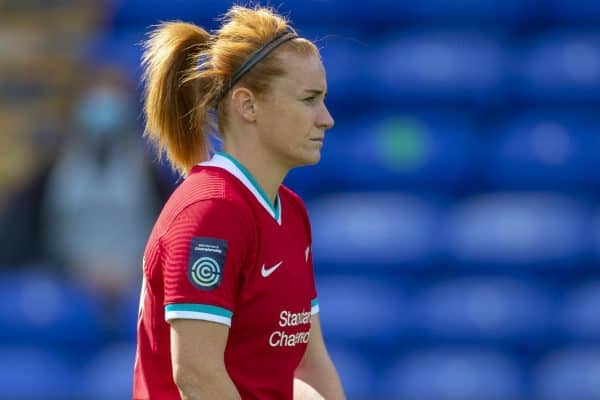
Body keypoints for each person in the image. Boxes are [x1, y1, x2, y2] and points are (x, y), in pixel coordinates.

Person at [133, 5, 345, 400]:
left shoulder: (292, 211)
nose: (326, 118)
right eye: (309, 99)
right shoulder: (210, 213)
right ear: (247, 106)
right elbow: (197, 375)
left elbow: (310, 363)